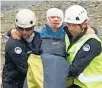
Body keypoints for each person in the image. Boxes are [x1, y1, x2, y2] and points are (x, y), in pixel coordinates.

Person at [9, 8, 70, 88]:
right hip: (42, 69)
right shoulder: (40, 33)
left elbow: (82, 34)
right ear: (48, 18)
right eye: (52, 17)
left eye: (58, 17)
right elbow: (25, 36)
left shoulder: (69, 33)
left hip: (60, 68)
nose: (56, 20)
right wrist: (12, 31)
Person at [64, 5, 102, 88]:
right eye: (68, 24)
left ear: (84, 24)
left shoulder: (92, 43)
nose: (70, 28)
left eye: (74, 25)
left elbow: (74, 70)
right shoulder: (75, 35)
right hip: (78, 83)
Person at [2, 9, 41, 88]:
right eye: (21, 28)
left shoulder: (38, 37)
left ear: (33, 27)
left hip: (29, 82)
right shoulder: (14, 44)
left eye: (28, 29)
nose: (24, 32)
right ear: (16, 27)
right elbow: (25, 67)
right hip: (14, 83)